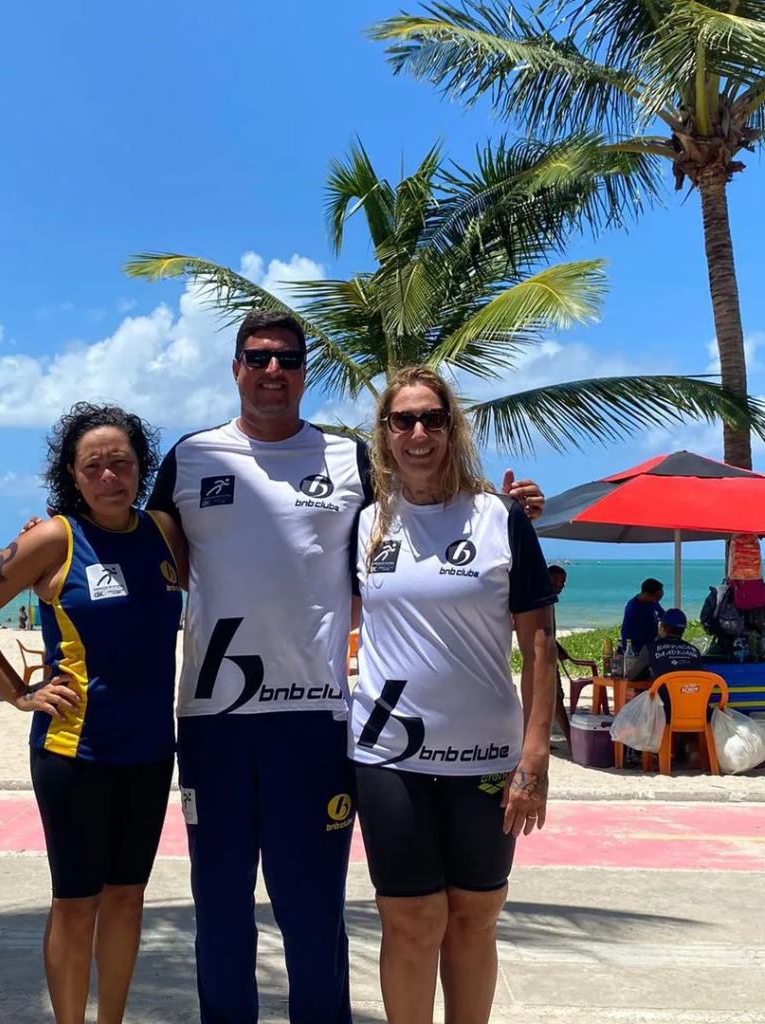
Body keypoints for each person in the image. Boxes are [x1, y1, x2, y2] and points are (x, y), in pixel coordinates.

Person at [143, 310, 546, 1024]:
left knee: (312, 915)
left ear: (305, 372)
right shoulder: (191, 457)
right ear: (236, 368)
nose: (273, 371)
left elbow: (430, 512)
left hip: (318, 717)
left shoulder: (348, 459)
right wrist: (58, 536)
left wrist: (503, 511)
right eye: (258, 357)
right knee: (222, 910)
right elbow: (140, 551)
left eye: (287, 359)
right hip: (214, 719)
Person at [0, 403, 186, 1024]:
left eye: (121, 463)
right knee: (77, 904)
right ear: (72, 476)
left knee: (128, 898)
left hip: (151, 750)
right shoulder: (55, 537)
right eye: (93, 466)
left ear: (141, 467)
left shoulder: (165, 531)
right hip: (75, 751)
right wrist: (18, 693)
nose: (109, 476)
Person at [350, 366, 557, 1024]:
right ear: (385, 435)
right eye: (403, 420)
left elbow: (539, 642)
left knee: (473, 917)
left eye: (432, 419)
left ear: (451, 429)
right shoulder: (363, 524)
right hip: (388, 754)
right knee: (410, 920)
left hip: (487, 757)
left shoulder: (501, 518)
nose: (418, 433)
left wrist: (535, 758)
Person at [625, 608, 703, 681]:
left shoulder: (650, 649)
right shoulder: (695, 651)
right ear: (683, 630)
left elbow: (632, 675)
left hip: (664, 691)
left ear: (662, 628)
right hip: (692, 691)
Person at [547, 565, 572, 751]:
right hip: (543, 659)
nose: (561, 586)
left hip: (549, 654)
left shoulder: (549, 601)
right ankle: (571, 739)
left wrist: (559, 649)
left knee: (550, 700)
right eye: (558, 581)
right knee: (555, 699)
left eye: (563, 582)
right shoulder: (542, 601)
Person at [621, 578, 664, 655]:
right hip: (637, 649)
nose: (657, 601)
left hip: (651, 645)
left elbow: (663, 616)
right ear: (647, 595)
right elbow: (626, 630)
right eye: (657, 598)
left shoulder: (652, 602)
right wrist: (628, 650)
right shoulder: (632, 608)